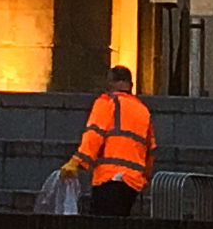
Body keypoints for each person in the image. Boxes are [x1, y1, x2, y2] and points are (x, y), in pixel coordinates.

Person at [61, 64, 153, 217]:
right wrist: (143, 178)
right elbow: (150, 149)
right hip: (132, 182)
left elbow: (94, 135)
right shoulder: (143, 110)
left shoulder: (107, 102)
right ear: (130, 84)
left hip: (109, 177)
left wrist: (76, 161)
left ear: (113, 82)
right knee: (119, 228)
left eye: (109, 82)